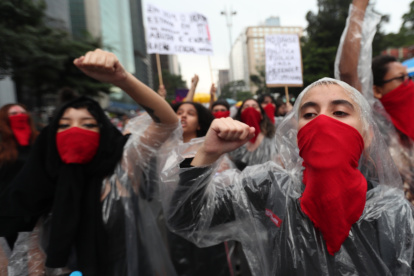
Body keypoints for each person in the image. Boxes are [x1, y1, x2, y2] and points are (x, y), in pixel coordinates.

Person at [161, 78, 414, 275]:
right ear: (296, 133)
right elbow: (186, 218)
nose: (323, 122)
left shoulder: (391, 210)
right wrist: (205, 153)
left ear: (367, 134)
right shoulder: (268, 186)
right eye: (309, 115)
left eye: (339, 113)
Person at [0, 49, 180, 275]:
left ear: (104, 132)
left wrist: (121, 79)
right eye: (64, 125)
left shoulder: (124, 165)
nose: (75, 131)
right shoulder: (43, 185)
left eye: (88, 124)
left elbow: (167, 123)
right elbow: (35, 256)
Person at [335, 0, 414, 203]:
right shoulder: (374, 124)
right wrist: (358, 9)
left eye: (410, 78)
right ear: (377, 90)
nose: (409, 84)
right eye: (401, 79)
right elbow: (348, 74)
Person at [170, 101, 233, 276]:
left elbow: (224, 182)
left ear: (199, 124)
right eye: (179, 112)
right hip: (174, 221)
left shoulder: (210, 148)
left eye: (190, 113)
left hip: (205, 220)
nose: (183, 116)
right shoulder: (165, 149)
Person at [230, 98, 277, 171]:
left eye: (254, 107)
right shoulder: (231, 137)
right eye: (246, 107)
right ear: (240, 114)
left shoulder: (273, 137)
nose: (250, 109)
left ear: (261, 115)